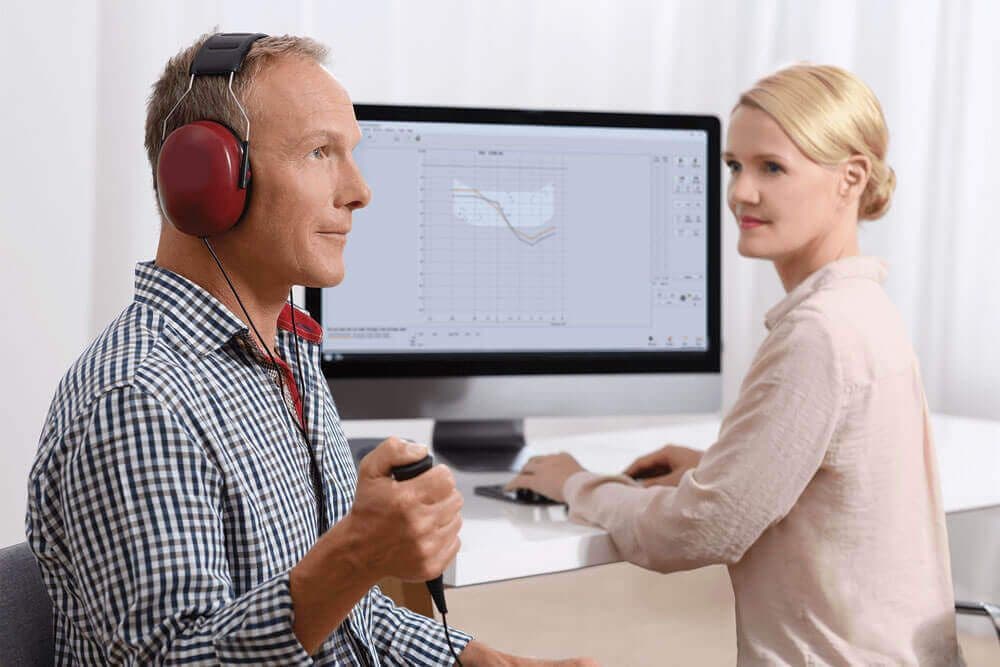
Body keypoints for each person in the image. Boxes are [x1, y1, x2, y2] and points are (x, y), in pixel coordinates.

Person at [25, 32, 594, 666]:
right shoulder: (139, 398)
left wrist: (479, 661)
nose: (358, 191)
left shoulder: (284, 356)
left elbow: (345, 616)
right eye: (320, 152)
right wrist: (357, 553)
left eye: (350, 154)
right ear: (207, 177)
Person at [508, 64, 963, 666]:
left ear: (850, 178)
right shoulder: (864, 309)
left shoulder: (818, 334)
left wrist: (577, 483)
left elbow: (698, 532)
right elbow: (840, 482)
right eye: (734, 166)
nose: (740, 192)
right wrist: (718, 469)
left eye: (771, 168)